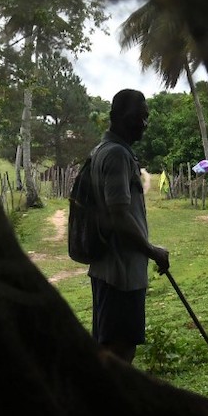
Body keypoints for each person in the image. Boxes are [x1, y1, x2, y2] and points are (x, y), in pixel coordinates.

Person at [87, 89, 170, 364]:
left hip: (109, 270)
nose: (144, 125)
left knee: (111, 347)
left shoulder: (102, 151)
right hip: (120, 276)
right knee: (120, 352)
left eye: (146, 118)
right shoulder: (116, 156)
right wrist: (152, 251)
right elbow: (119, 216)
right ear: (118, 117)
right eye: (139, 118)